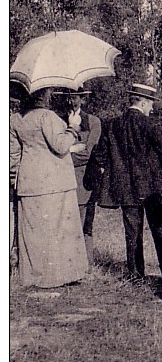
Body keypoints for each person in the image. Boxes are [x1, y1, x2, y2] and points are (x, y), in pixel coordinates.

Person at [88, 83, 162, 297]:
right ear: (144, 102)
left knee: (132, 233)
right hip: (153, 188)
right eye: (151, 103)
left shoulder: (112, 125)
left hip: (126, 189)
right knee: (161, 232)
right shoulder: (150, 125)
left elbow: (99, 156)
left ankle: (136, 275)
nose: (152, 108)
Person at [9, 88, 88, 288]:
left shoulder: (15, 119)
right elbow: (61, 145)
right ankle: (60, 276)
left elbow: (12, 156)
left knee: (34, 231)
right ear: (43, 95)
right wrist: (73, 127)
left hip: (28, 182)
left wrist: (15, 178)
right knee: (59, 230)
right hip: (55, 181)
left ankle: (35, 276)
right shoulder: (47, 116)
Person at [56, 88, 102, 263]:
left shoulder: (93, 122)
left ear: (83, 100)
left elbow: (89, 152)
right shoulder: (57, 121)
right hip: (60, 180)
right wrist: (74, 148)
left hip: (83, 181)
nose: (70, 102)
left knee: (84, 223)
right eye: (67, 97)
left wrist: (65, 152)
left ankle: (84, 262)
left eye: (75, 98)